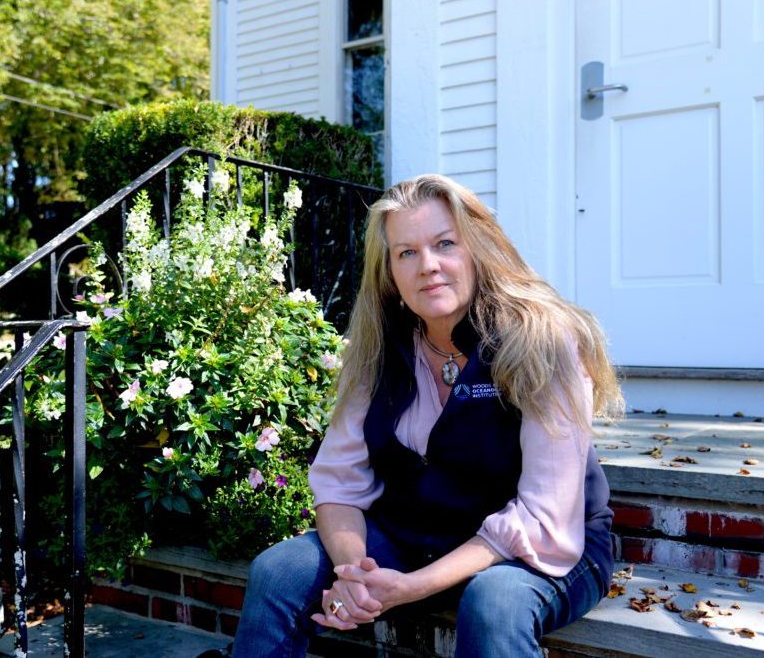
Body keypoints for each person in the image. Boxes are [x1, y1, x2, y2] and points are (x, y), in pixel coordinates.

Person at [230, 174, 623, 657]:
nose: (428, 267)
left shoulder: (542, 341)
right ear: (390, 273)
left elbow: (543, 517)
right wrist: (356, 573)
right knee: (279, 570)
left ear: (478, 249)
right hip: (415, 535)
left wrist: (411, 587)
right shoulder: (378, 350)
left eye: (445, 244)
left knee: (494, 602)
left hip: (543, 549)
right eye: (407, 253)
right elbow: (338, 484)